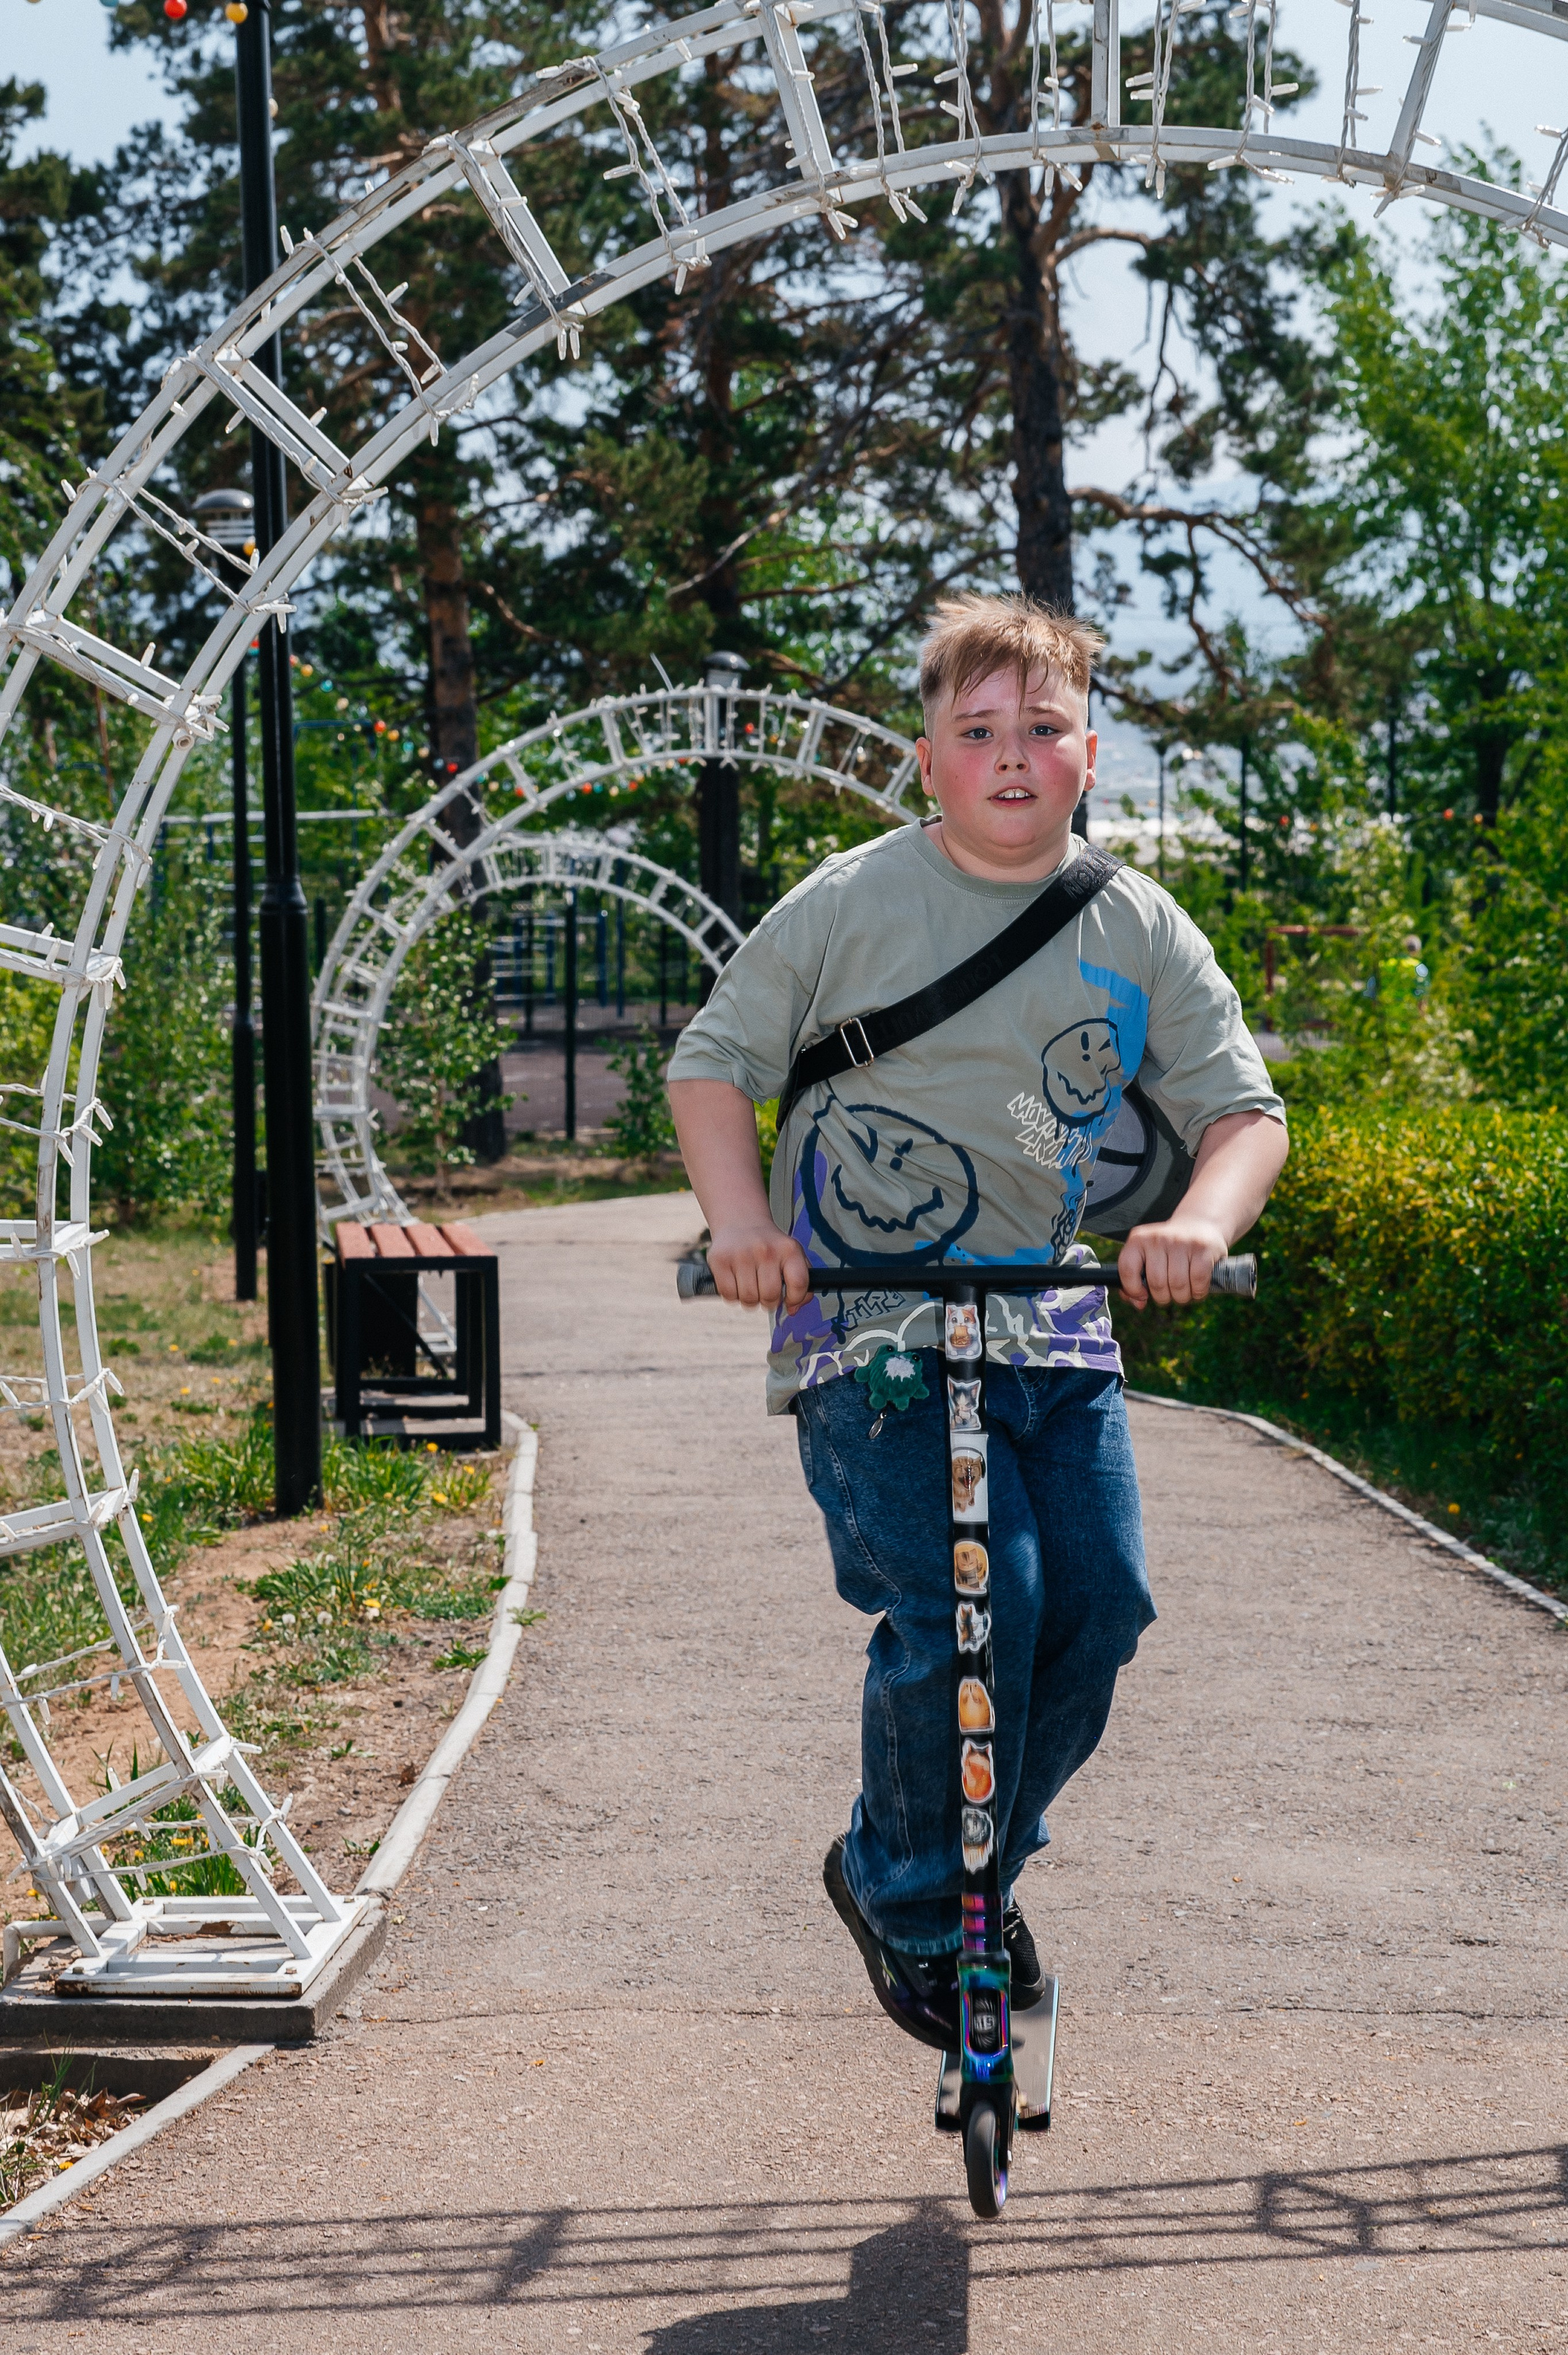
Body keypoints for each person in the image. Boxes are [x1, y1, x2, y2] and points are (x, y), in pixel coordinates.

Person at [667, 594, 1288, 2050]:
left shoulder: (1134, 922)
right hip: (869, 1325)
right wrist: (744, 1224)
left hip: (1042, 1316)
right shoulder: (849, 901)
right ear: (927, 761)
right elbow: (711, 1063)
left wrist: (1199, 1224)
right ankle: (902, 1887)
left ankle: (974, 1868)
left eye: (1042, 728)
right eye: (977, 730)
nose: (1011, 754)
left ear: (1089, 754)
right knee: (973, 1606)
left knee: (1097, 1604)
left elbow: (1241, 1112)